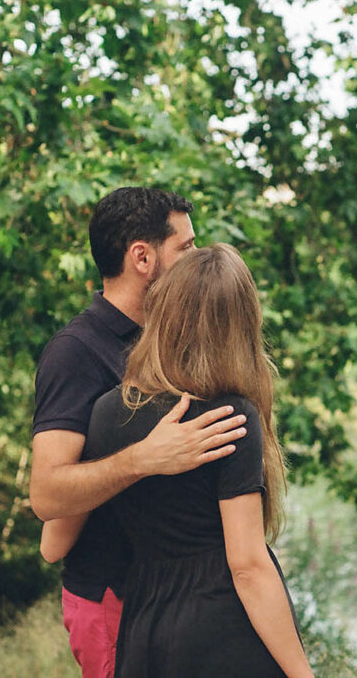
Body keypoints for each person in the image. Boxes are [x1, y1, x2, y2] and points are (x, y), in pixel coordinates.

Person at [30, 187, 247, 678]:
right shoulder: (76, 352)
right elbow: (46, 495)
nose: (198, 258)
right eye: (186, 249)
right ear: (142, 257)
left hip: (178, 599)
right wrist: (143, 457)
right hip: (113, 600)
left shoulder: (169, 340)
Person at [79, 243, 313, 677]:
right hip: (225, 634)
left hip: (146, 631)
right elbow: (246, 566)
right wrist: (303, 673)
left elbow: (59, 534)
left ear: (165, 310)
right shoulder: (228, 416)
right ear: (241, 324)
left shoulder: (107, 412)